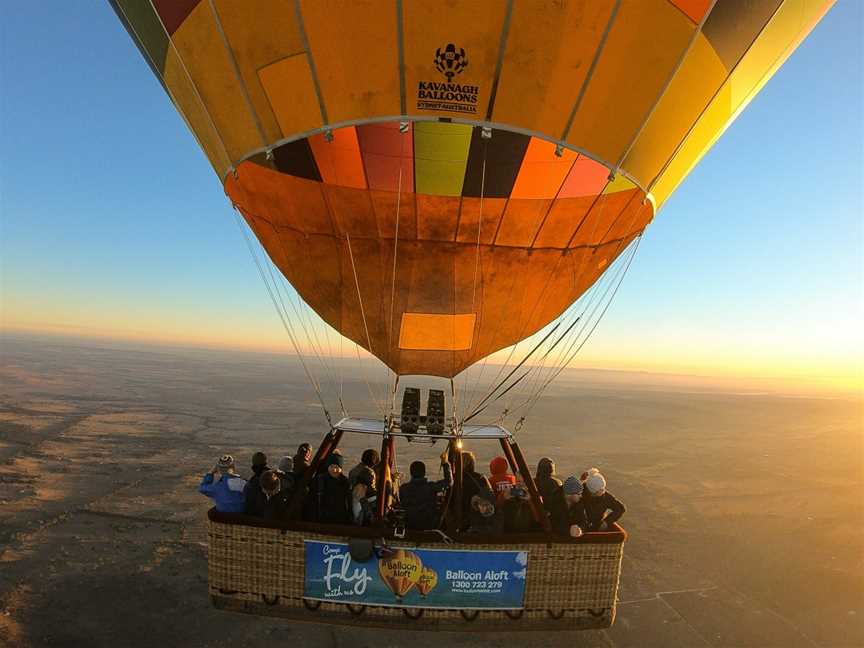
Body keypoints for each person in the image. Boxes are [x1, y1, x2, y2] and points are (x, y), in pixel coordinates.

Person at [399, 450, 452, 530]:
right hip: (430, 524)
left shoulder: (403, 488)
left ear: (411, 473)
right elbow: (449, 482)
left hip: (410, 524)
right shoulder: (431, 487)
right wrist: (445, 463)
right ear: (424, 473)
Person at [312, 453, 351, 524]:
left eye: (337, 467)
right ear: (327, 467)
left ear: (341, 468)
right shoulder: (320, 480)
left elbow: (348, 502)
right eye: (331, 466)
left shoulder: (345, 482)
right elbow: (314, 500)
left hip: (341, 520)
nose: (334, 470)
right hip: (322, 519)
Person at [460, 452, 493, 528]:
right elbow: (491, 495)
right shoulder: (481, 478)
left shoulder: (456, 479)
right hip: (480, 519)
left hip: (463, 520)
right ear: (472, 463)